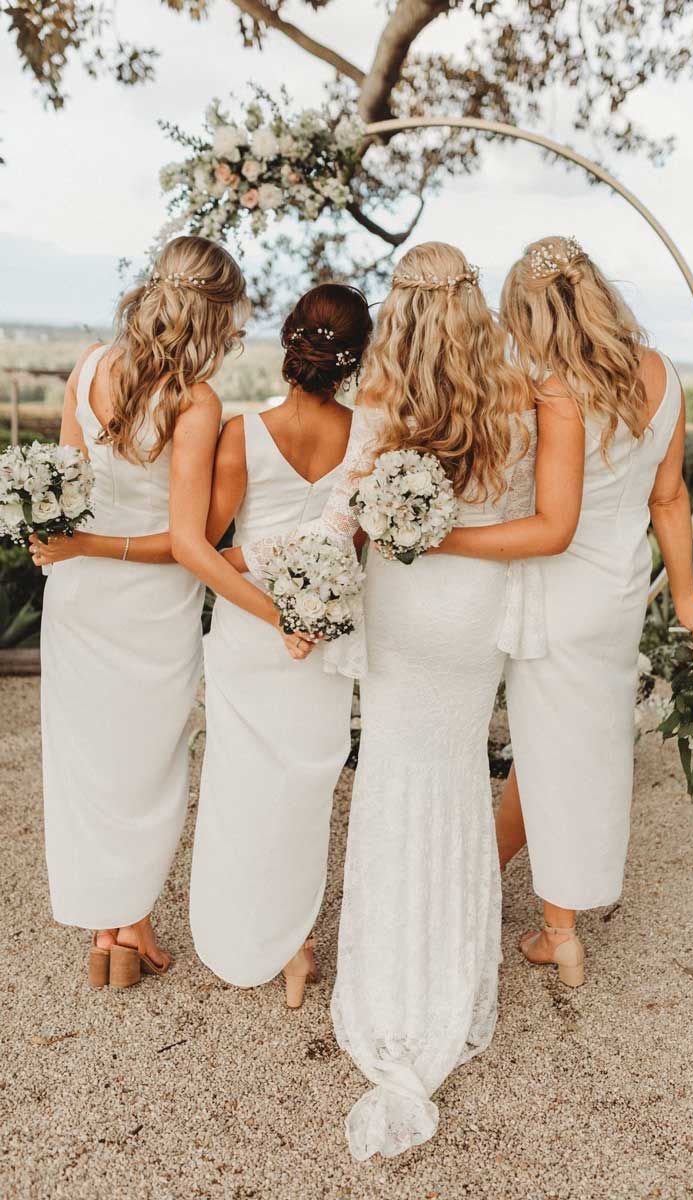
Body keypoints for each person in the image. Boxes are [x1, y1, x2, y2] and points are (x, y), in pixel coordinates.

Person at [242, 242, 542, 1159]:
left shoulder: (383, 398)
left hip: (407, 610)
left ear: (403, 313)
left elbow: (342, 514)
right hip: (471, 614)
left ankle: (391, 985)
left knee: (393, 785)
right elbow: (531, 520)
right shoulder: (515, 396)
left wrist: (302, 599)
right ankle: (450, 974)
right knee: (453, 780)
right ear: (473, 303)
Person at [432, 236, 693, 987]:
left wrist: (440, 538)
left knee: (554, 750)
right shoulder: (665, 376)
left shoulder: (555, 390)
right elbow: (669, 498)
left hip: (555, 593)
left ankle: (560, 931)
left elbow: (547, 519)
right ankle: (489, 877)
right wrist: (684, 596)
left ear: (533, 314)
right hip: (619, 595)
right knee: (567, 747)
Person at [34, 235, 262, 988]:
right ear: (215, 312)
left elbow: (61, 498)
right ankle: (127, 924)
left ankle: (114, 930)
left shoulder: (91, 363)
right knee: (145, 769)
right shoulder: (195, 402)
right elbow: (188, 544)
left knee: (90, 766)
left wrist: (65, 544)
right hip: (148, 607)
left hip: (78, 597)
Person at [189, 284, 372, 1007]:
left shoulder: (240, 436)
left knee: (241, 785)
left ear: (291, 339)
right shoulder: (366, 438)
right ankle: (297, 947)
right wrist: (307, 583)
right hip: (320, 637)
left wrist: (267, 587)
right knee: (305, 790)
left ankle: (244, 932)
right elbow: (351, 541)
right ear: (354, 359)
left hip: (250, 630)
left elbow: (204, 549)